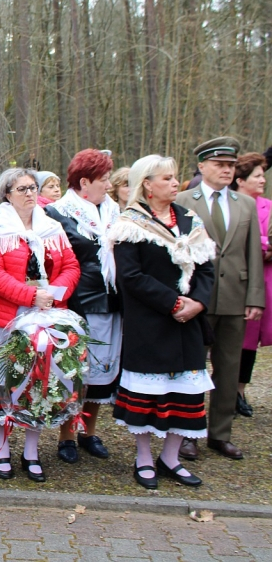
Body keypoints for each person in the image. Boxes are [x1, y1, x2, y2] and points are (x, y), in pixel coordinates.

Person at [108, 155, 215, 489]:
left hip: (188, 323)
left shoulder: (188, 219)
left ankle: (170, 458)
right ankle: (143, 458)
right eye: (166, 178)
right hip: (151, 322)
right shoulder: (131, 223)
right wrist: (172, 303)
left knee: (184, 394)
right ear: (147, 186)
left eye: (174, 177)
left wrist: (197, 302)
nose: (174, 183)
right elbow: (130, 276)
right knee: (150, 395)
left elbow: (207, 266)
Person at [0, 167, 80, 483]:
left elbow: (71, 265)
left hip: (47, 316)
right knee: (6, 382)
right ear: (7, 194)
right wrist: (31, 295)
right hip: (8, 319)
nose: (29, 193)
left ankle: (31, 451)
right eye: (21, 189)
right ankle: (2, 449)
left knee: (37, 384)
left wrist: (53, 295)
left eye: (32, 187)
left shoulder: (52, 227)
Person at [175, 137, 264, 461]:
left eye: (230, 165)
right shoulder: (184, 200)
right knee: (193, 368)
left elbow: (252, 253)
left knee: (229, 367)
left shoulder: (246, 204)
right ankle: (188, 434)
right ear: (202, 166)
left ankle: (220, 434)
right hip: (197, 298)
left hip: (235, 299)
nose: (226, 170)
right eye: (220, 165)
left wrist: (255, 298)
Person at [45, 150, 122, 464]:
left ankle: (88, 431)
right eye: (103, 179)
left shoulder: (115, 211)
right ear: (84, 181)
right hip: (76, 301)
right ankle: (66, 435)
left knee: (102, 371)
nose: (108, 185)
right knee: (73, 370)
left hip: (112, 300)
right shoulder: (57, 212)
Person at [234, 153, 272, 417]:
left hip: (263, 280)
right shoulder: (233, 205)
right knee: (230, 341)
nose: (263, 180)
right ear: (241, 181)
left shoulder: (268, 206)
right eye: (257, 176)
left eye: (263, 175)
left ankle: (240, 391)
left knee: (251, 341)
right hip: (235, 280)